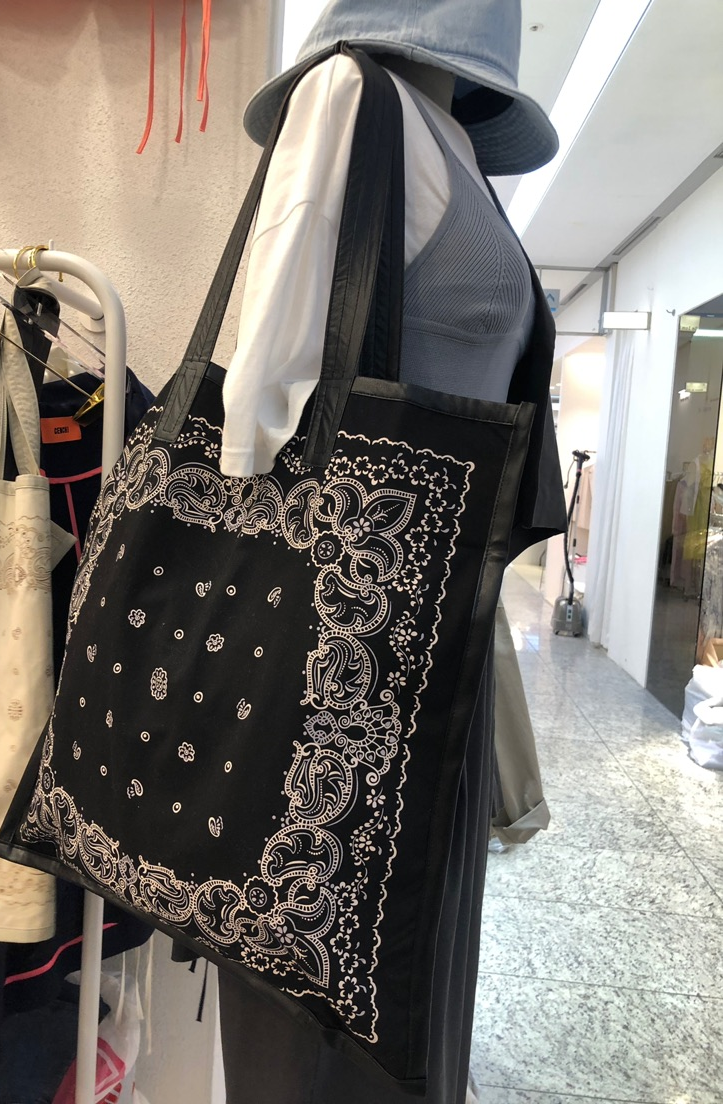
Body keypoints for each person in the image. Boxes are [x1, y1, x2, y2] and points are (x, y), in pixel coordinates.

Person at [215, 3, 566, 1101]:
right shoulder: (352, 97)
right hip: (343, 664)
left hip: (428, 651)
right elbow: (256, 414)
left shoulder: (451, 149)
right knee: (326, 1015)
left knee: (409, 990)